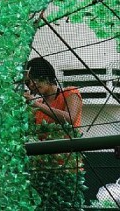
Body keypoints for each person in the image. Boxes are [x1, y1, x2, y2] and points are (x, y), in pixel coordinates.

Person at [23, 57, 85, 210]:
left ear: (44, 76)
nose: (31, 86)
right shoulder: (38, 107)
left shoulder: (70, 93)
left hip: (68, 168)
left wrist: (35, 104)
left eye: (32, 81)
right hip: (43, 172)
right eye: (27, 84)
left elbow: (69, 118)